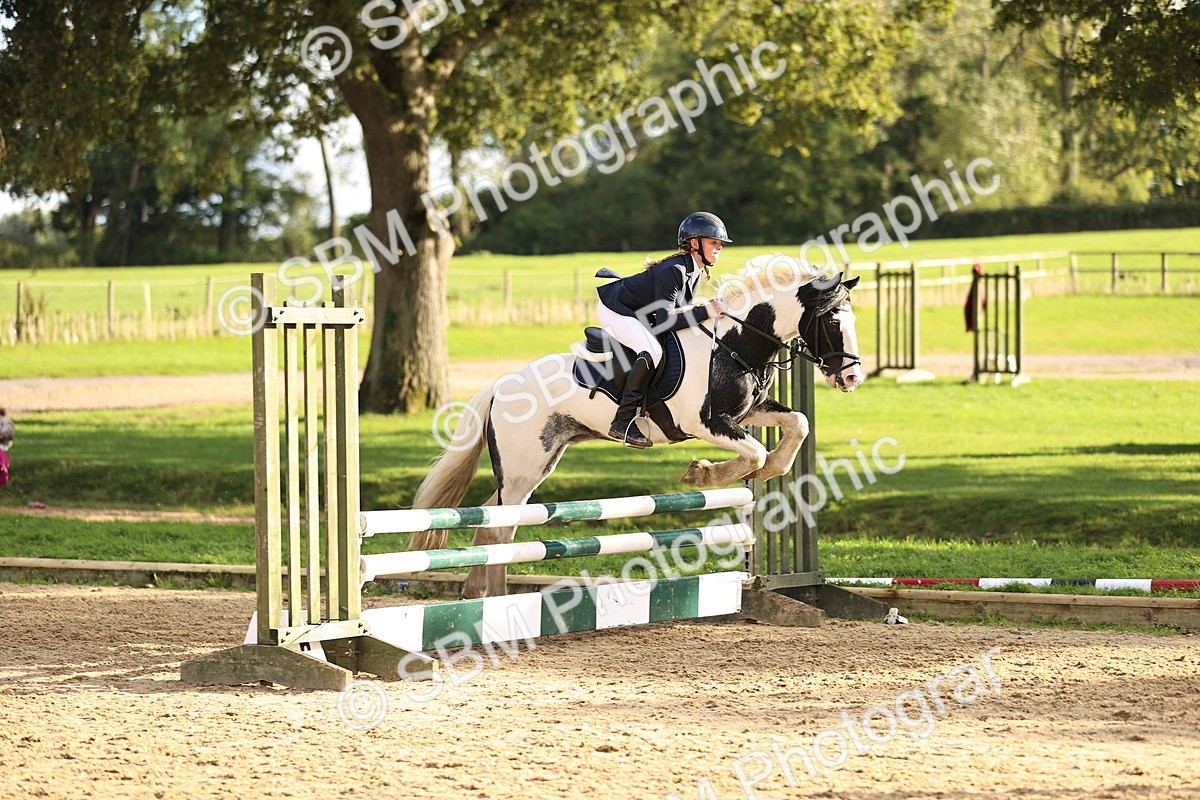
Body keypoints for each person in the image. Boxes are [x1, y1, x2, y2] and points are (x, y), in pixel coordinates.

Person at [595, 211, 730, 448]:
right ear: (694, 243)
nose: (718, 248)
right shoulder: (675, 270)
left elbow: (677, 315)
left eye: (720, 244)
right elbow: (667, 319)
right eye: (713, 242)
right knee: (652, 352)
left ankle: (652, 400)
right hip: (615, 308)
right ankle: (623, 420)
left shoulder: (696, 271)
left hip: (640, 313)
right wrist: (705, 311)